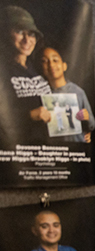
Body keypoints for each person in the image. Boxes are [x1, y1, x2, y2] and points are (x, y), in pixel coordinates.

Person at [1, 6, 51, 147]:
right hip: (16, 156)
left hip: (47, 151)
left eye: (31, 34)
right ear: (6, 33)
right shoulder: (3, 70)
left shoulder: (38, 67)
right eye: (20, 32)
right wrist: (29, 115)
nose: (27, 40)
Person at [40, 47, 95, 143]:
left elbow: (92, 125)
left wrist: (87, 118)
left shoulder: (78, 92)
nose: (51, 64)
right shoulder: (40, 93)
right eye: (45, 61)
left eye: (55, 60)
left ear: (64, 66)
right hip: (53, 151)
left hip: (77, 149)